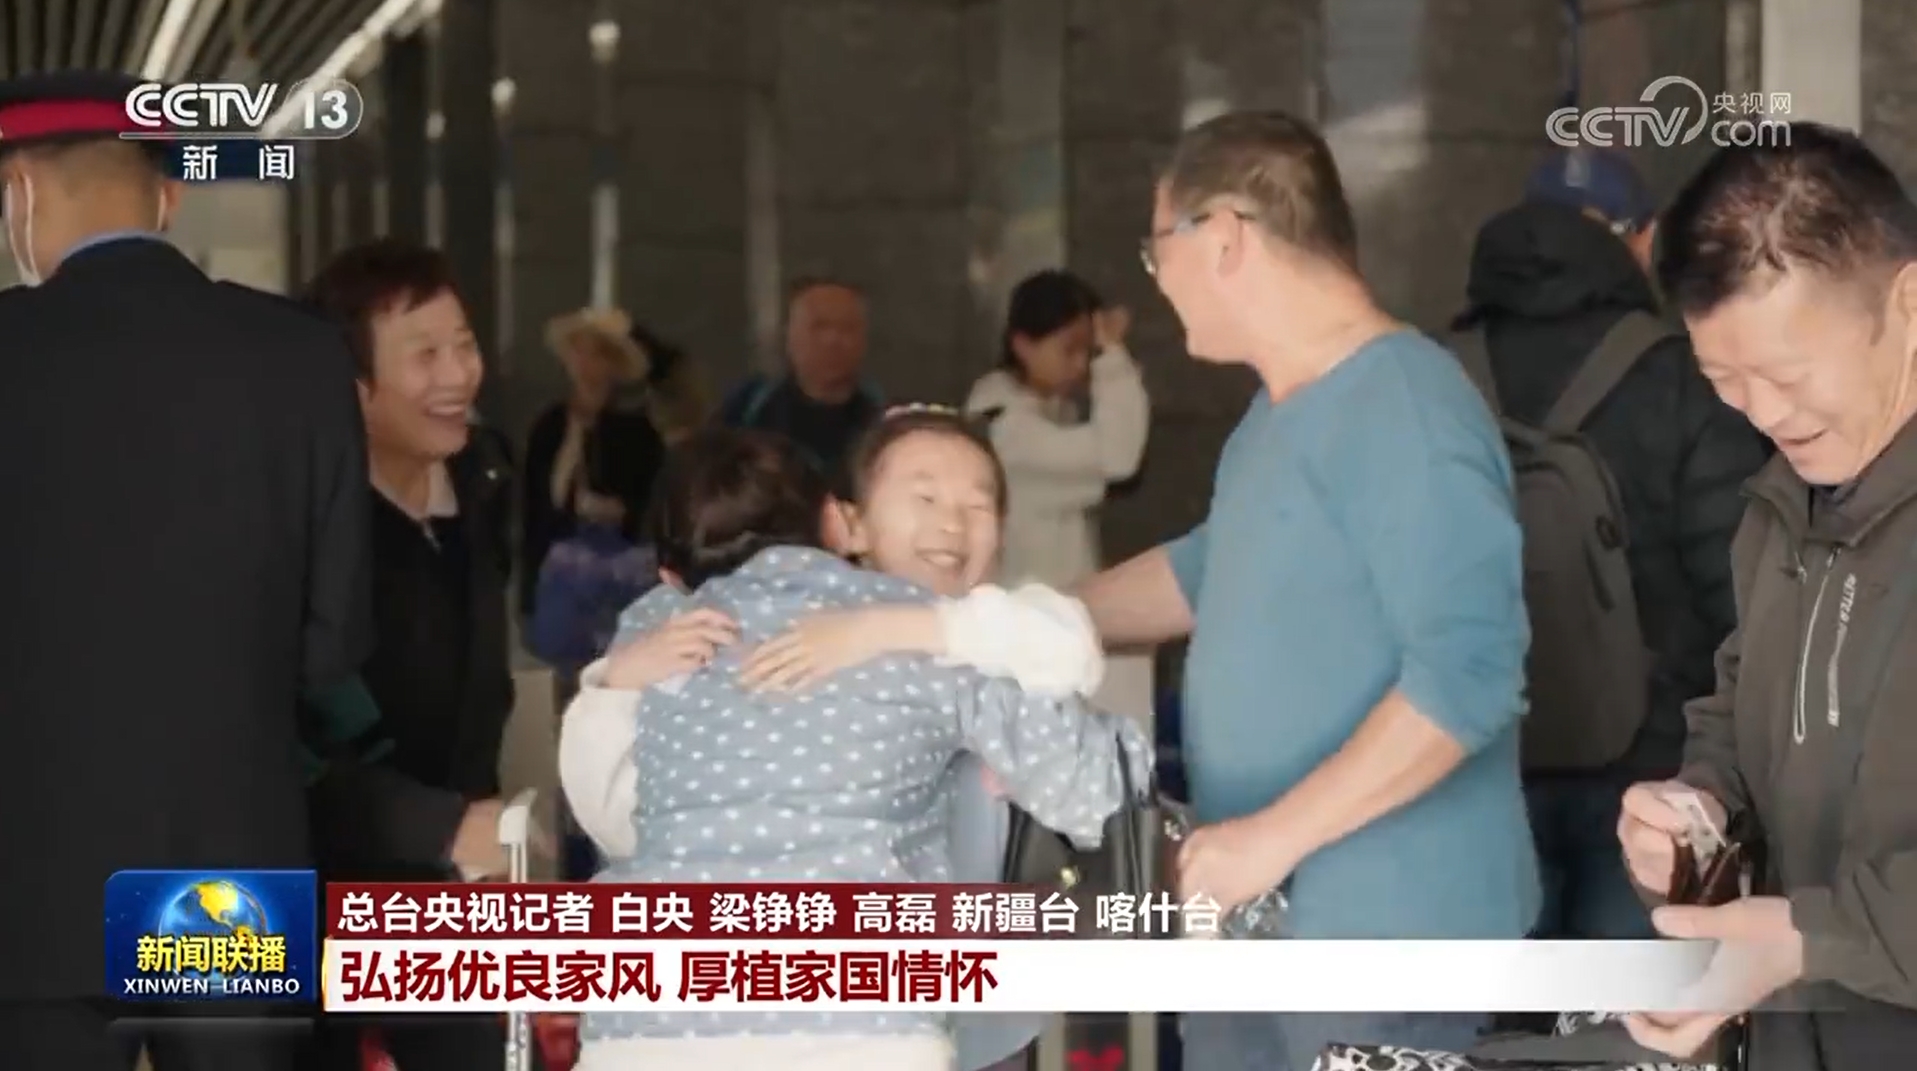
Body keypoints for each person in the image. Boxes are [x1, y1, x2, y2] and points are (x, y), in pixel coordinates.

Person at [1075, 110, 1536, 1070]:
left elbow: (1470, 673)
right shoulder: (1276, 413)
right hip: (1260, 928)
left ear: (1224, 237)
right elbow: (1211, 570)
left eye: (1158, 248)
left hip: (1388, 944)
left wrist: (1265, 841)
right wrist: (1023, 624)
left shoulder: (1404, 405)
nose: (1155, 279)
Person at [562, 421, 1149, 1071]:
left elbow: (619, 816)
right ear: (842, 521)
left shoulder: (664, 625)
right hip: (861, 1027)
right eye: (923, 496)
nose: (949, 524)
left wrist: (613, 686)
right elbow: (1104, 787)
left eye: (977, 503)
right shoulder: (938, 637)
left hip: (645, 1023)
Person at [0, 72, 371, 1071]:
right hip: (226, 866)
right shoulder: (301, 357)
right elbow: (335, 641)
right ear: (167, 198)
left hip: (28, 877)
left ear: (20, 191)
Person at [1616, 125, 1917, 1068]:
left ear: (1907, 302)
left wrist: (1806, 939)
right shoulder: (1779, 512)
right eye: (1724, 380)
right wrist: (1695, 820)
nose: (1764, 412)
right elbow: (1741, 716)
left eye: (1787, 374)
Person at [1454, 148, 1770, 940]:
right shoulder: (1682, 375)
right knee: (1628, 1003)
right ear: (1644, 237)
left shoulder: (1436, 375)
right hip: (1644, 779)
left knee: (1490, 1011)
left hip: (1472, 770)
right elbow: (1742, 595)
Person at [298, 240, 526, 1071]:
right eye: (424, 355)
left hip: (458, 880)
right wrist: (439, 825)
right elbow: (285, 740)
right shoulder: (306, 525)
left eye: (463, 344)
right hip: (326, 886)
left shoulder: (485, 476)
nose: (459, 374)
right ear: (353, 387)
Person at [964, 269, 1149, 588]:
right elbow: (1119, 458)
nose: (1081, 365)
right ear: (1023, 345)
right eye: (1069, 350)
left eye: (1088, 352)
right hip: (1024, 608)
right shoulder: (1005, 428)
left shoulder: (1053, 408)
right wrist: (1112, 356)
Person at [520, 306, 707, 616]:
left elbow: (651, 504)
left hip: (615, 581)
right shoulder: (550, 425)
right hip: (555, 577)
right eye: (578, 353)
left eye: (596, 354)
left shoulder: (636, 431)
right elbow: (535, 506)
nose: (584, 364)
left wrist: (620, 512)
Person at [718, 277, 882, 480]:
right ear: (789, 335)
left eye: (847, 328)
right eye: (819, 326)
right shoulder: (746, 410)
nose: (832, 340)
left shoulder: (883, 419)